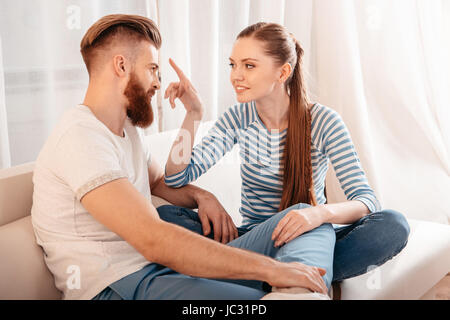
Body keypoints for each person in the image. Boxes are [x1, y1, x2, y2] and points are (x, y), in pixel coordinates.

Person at [31, 14, 332, 301]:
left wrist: (203, 196)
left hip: (157, 272)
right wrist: (273, 269)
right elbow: (153, 239)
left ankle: (304, 281)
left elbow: (161, 182)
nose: (158, 83)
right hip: (119, 285)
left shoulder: (127, 130)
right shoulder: (80, 136)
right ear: (121, 66)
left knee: (307, 217)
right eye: (152, 69)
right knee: (258, 299)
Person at [163, 22, 411, 293]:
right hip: (256, 240)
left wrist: (317, 215)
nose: (236, 76)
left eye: (249, 66)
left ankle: (265, 272)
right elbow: (176, 177)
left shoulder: (323, 121)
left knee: (393, 225)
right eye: (232, 65)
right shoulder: (237, 118)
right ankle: (289, 272)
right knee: (167, 217)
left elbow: (367, 200)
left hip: (311, 232)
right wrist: (193, 114)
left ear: (282, 73)